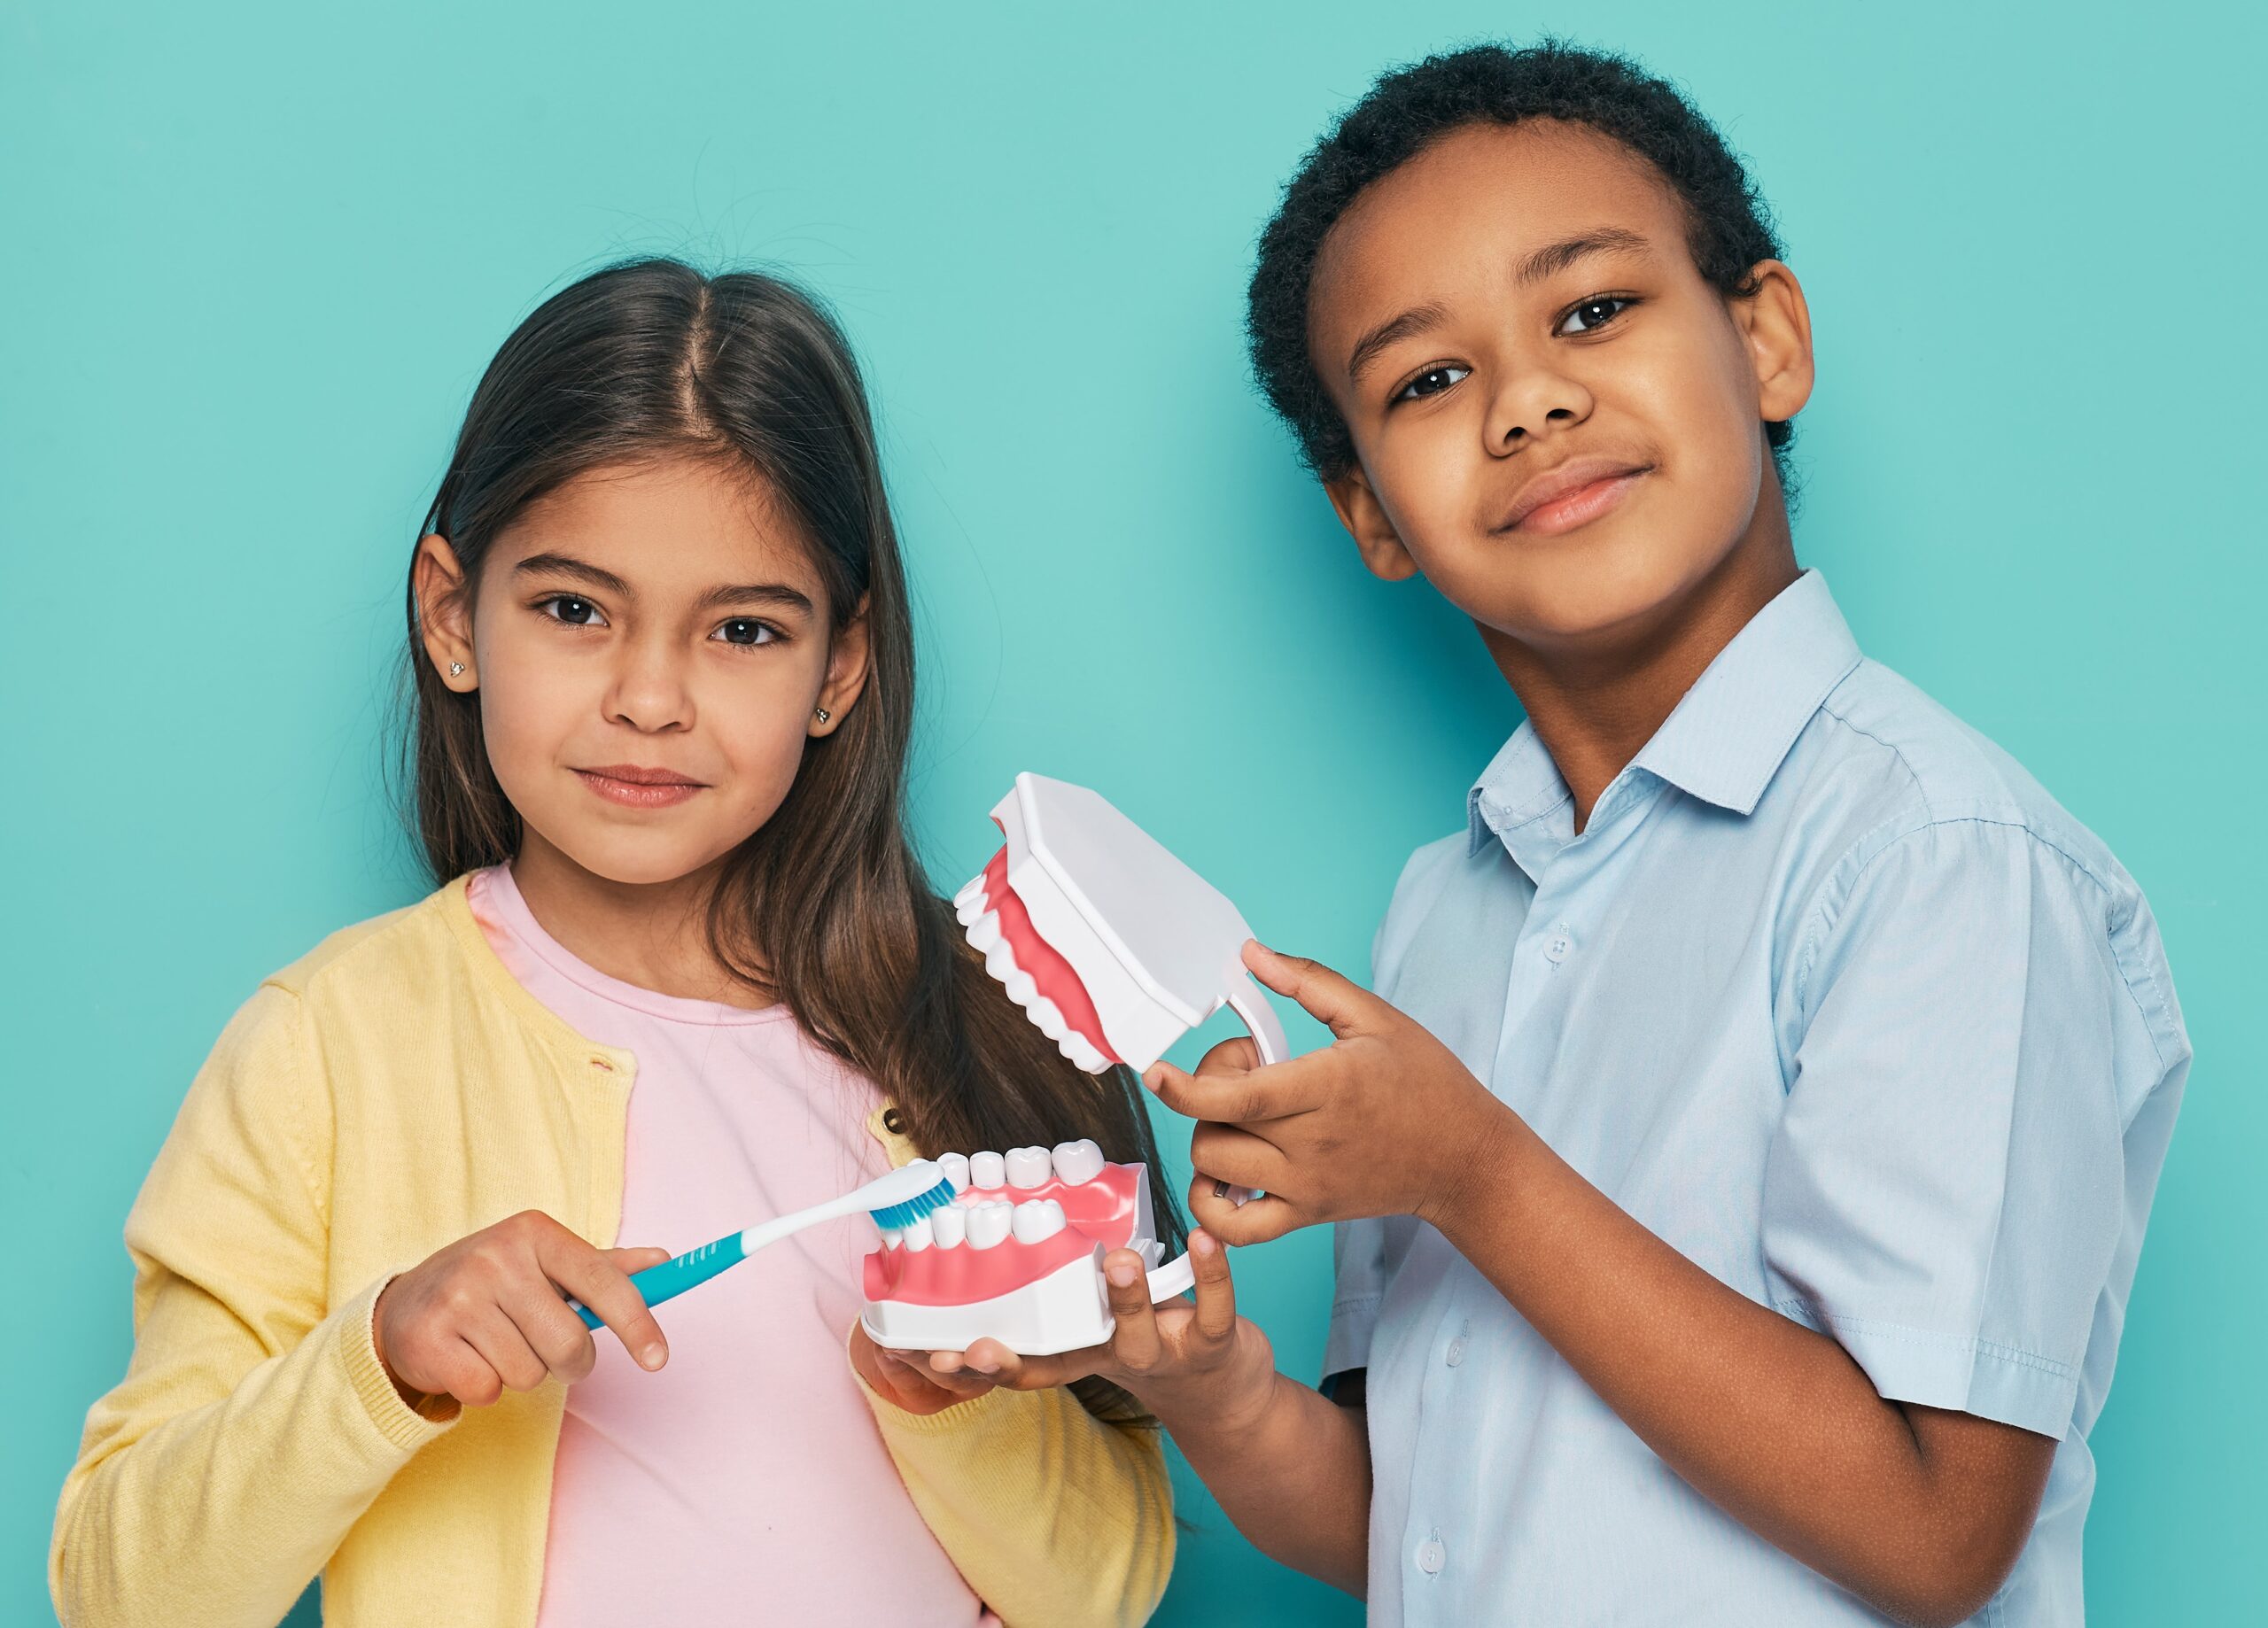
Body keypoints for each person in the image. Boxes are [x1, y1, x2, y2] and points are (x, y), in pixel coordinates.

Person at [920, 43, 2189, 1627]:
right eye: (1427, 381)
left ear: (1768, 339)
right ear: (1372, 514)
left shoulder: (1941, 859)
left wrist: (1471, 1170)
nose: (1530, 401)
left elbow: (1937, 1527)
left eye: (1590, 309)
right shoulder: (1445, 911)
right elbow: (1429, 1523)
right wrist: (1207, 1380)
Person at [51, 258, 1177, 1628]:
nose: (650, 698)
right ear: (452, 616)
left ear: (839, 667)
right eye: (574, 609)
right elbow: (120, 1590)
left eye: (745, 630)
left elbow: (1115, 1586)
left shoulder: (969, 1031)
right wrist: (382, 1361)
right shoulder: (329, 1050)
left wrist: (939, 1403)